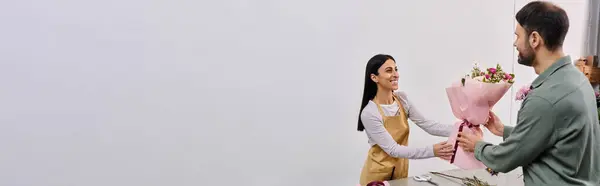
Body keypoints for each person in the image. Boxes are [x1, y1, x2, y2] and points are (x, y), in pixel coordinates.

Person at [457, 1, 600, 185]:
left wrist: (476, 145)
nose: (515, 43)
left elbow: (505, 159)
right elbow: (553, 133)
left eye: (517, 36)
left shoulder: (544, 98)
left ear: (534, 39)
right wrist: (503, 131)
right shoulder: (578, 80)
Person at [357, 54, 455, 185]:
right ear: (374, 78)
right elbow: (393, 149)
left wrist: (462, 128)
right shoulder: (370, 113)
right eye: (389, 70)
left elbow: (428, 125)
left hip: (400, 172)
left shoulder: (402, 100)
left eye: (396, 69)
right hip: (376, 176)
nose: (396, 74)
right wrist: (432, 151)